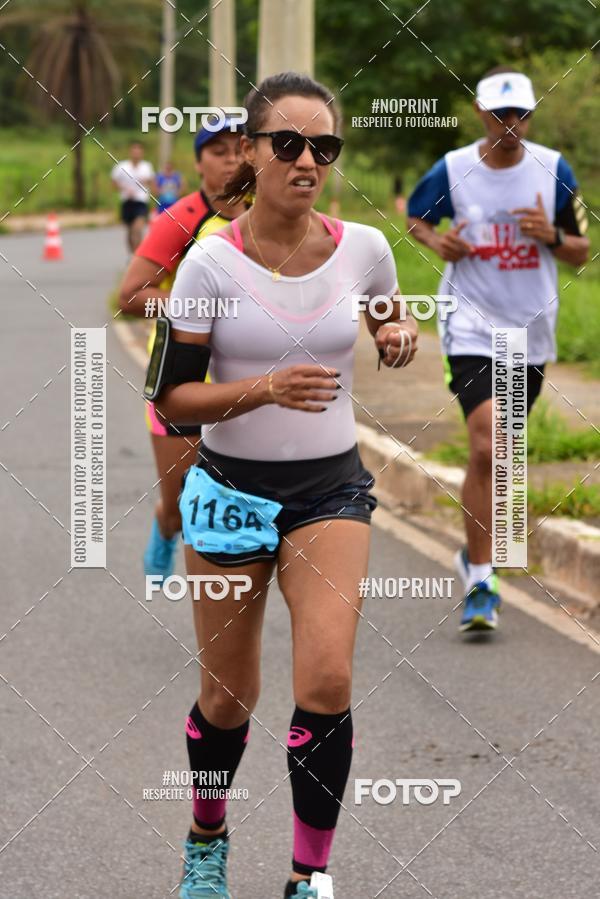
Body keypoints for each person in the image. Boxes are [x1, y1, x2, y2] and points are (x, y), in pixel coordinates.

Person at [153, 72, 418, 898]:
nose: (309, 160)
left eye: (325, 147)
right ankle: (207, 837)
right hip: (231, 489)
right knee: (228, 697)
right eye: (290, 144)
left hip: (329, 490)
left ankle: (309, 874)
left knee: (328, 678)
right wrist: (263, 388)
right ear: (254, 153)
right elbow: (171, 397)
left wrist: (399, 331)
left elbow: (385, 313)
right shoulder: (208, 264)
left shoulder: (366, 247)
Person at [407, 67, 589, 633]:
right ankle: (482, 578)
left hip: (528, 330)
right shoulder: (454, 168)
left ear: (530, 116)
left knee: (503, 451)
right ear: (481, 114)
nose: (510, 126)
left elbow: (583, 251)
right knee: (488, 445)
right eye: (499, 115)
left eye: (520, 115)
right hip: (469, 323)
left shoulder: (554, 169)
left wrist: (551, 237)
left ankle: (474, 557)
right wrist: (440, 240)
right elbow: (415, 215)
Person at [118, 118, 247, 581]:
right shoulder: (181, 219)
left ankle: (223, 606)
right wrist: (200, 306)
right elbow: (130, 296)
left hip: (248, 376)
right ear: (197, 164)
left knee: (225, 505)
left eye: (240, 148)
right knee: (182, 504)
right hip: (182, 375)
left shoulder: (271, 218)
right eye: (218, 151)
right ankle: (164, 524)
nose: (232, 159)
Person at [111, 140, 155, 252]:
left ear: (142, 153)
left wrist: (149, 184)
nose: (136, 153)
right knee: (130, 232)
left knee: (138, 229)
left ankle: (138, 256)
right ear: (130, 152)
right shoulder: (121, 166)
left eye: (138, 151)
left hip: (141, 202)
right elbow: (114, 184)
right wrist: (125, 189)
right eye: (134, 151)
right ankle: (133, 255)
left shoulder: (147, 166)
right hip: (127, 201)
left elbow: (152, 183)